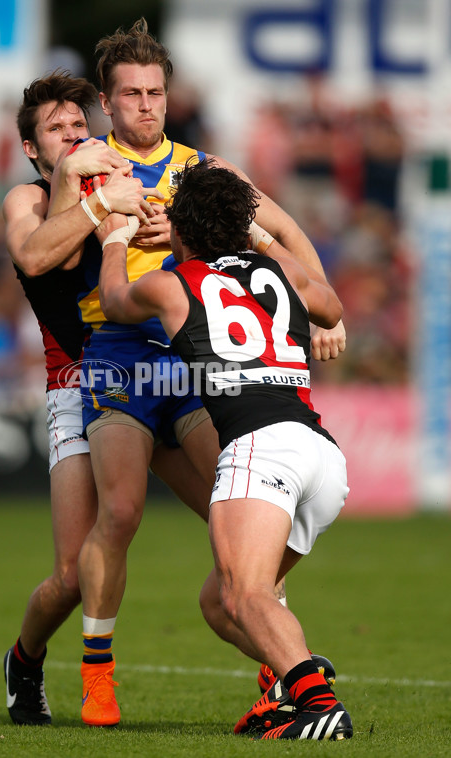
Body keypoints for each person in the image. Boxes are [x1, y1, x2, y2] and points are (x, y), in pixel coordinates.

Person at [73, 17, 346, 728]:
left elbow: (282, 231)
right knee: (123, 510)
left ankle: (284, 675)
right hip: (123, 352)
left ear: (169, 95)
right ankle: (98, 675)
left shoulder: (203, 170)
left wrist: (324, 305)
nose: (144, 106)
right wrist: (104, 216)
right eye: (130, 94)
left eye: (155, 92)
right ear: (108, 102)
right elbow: (40, 249)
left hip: (199, 363)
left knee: (241, 531)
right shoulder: (82, 166)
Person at [1, 70, 163, 726]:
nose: (72, 136)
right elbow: (40, 260)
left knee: (228, 513)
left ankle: (280, 668)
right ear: (33, 151)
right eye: (56, 131)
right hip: (75, 383)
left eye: (77, 124)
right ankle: (26, 655)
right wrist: (89, 198)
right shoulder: (26, 200)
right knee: (70, 575)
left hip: (152, 376)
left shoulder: (117, 184)